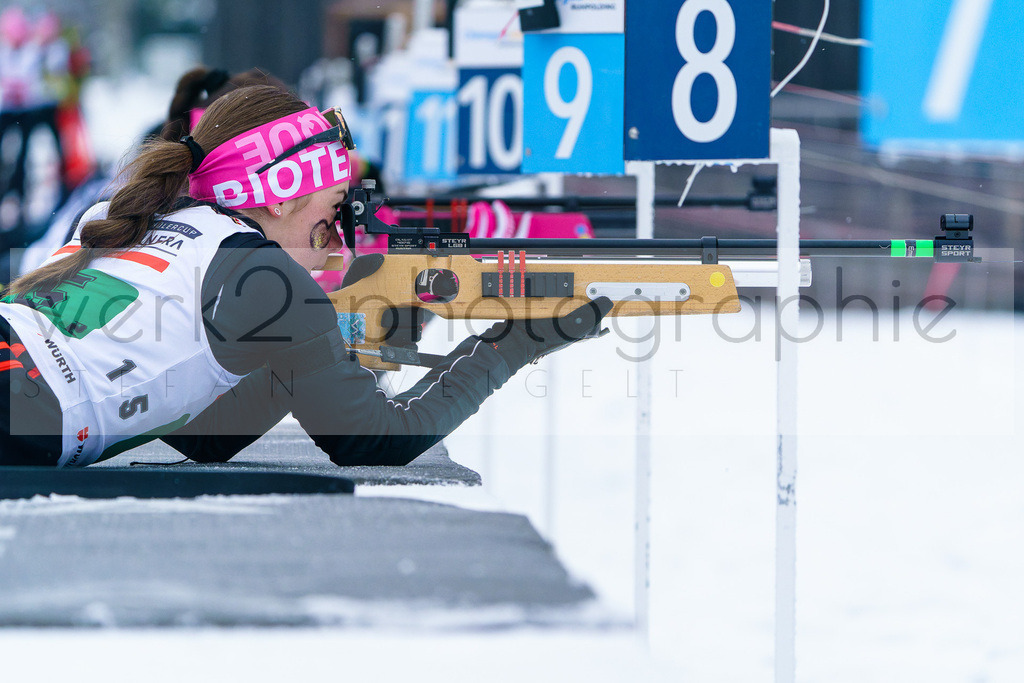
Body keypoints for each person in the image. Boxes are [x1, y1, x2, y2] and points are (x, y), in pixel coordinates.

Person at [0, 85, 611, 468]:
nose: (339, 235)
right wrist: (510, 347)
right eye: (333, 209)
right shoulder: (260, 275)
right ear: (282, 197)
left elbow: (204, 436)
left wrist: (329, 352)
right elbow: (372, 442)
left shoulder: (119, 215)